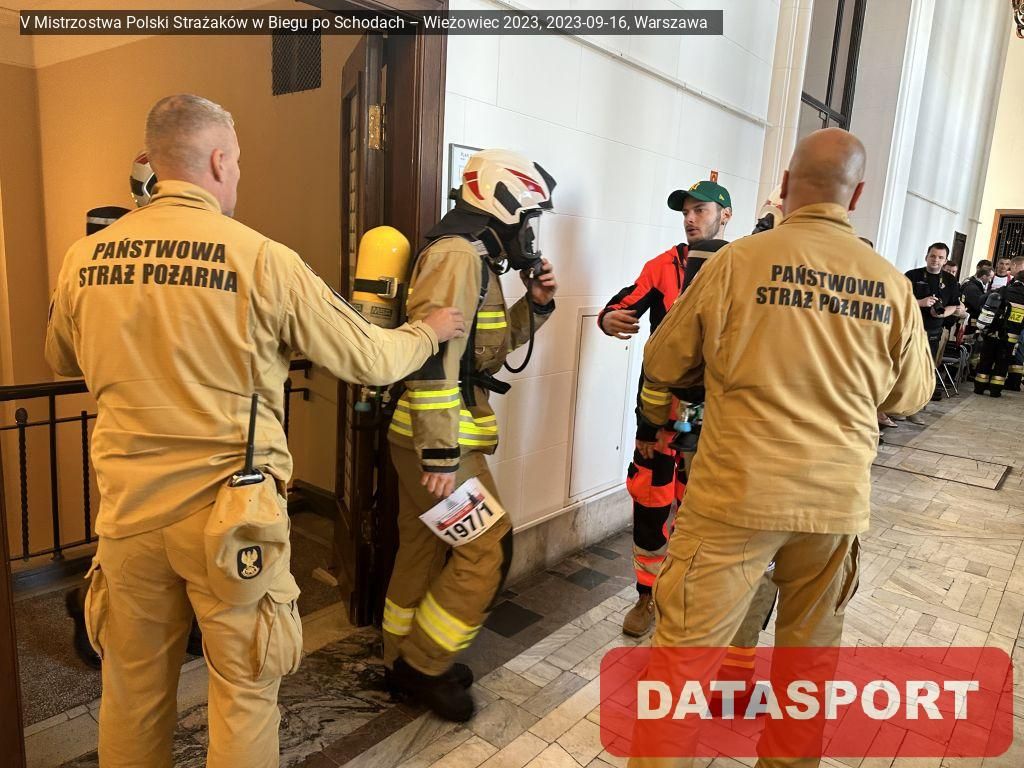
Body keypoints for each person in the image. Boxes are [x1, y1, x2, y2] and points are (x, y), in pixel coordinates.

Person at [45, 94, 465, 768]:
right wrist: (427, 331)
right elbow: (370, 358)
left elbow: (62, 359)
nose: (237, 175)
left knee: (131, 692)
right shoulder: (263, 259)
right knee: (243, 692)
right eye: (237, 162)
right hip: (230, 519)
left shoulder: (84, 258)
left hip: (127, 516)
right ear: (218, 160)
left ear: (154, 160)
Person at [628, 128, 933, 768]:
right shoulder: (889, 283)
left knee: (682, 667)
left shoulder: (735, 262)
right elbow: (910, 395)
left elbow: (663, 359)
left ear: (788, 186)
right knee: (808, 666)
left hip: (734, 495)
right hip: (832, 504)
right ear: (857, 195)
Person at [382, 149, 558, 723]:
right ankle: (424, 665)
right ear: (502, 204)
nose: (529, 232)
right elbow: (433, 355)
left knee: (422, 546)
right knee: (489, 548)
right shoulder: (458, 255)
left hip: (427, 436)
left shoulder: (473, 256)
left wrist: (536, 305)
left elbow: (485, 351)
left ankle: (399, 657)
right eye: (527, 217)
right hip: (439, 440)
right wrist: (440, 452)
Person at [598, 181, 777, 650]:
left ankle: (691, 603)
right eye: (685, 212)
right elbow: (623, 304)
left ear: (726, 215)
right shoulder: (662, 266)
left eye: (700, 210)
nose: (690, 219)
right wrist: (609, 319)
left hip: (719, 420)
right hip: (658, 416)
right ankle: (646, 597)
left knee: (707, 514)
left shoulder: (746, 266)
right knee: (650, 503)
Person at [903, 243, 960, 421]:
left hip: (934, 331)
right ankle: (897, 408)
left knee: (925, 371)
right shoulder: (912, 275)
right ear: (926, 256)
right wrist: (920, 303)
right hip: (911, 328)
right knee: (905, 369)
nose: (936, 260)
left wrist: (941, 313)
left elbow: (954, 305)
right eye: (933, 256)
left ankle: (914, 409)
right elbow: (899, 300)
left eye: (940, 257)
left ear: (945, 261)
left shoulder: (950, 281)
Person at [974, 255, 1024, 396]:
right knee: (1002, 364)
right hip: (1011, 338)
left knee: (986, 360)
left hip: (993, 332)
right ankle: (995, 391)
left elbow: (982, 300)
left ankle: (979, 387)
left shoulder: (1004, 290)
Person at [962, 263, 993, 371]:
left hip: (971, 324)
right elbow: (978, 305)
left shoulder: (975, 286)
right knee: (967, 348)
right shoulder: (973, 288)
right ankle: (960, 372)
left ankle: (966, 370)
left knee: (971, 349)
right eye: (989, 277)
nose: (990, 280)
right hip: (969, 325)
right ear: (984, 276)